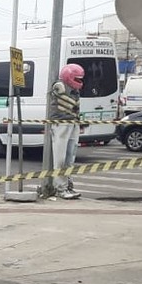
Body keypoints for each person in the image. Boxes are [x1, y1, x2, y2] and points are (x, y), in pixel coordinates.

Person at [49, 63, 85, 199]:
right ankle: (60, 188)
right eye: (77, 78)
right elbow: (59, 93)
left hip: (73, 123)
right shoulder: (60, 86)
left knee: (70, 157)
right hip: (61, 124)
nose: (79, 81)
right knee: (61, 158)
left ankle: (67, 185)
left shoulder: (75, 90)